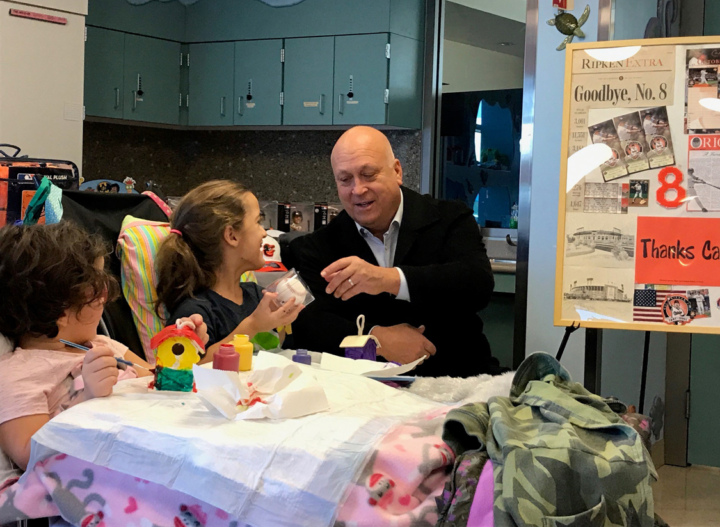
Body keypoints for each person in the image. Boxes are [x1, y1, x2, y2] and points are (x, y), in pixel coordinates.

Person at [283, 126, 498, 377]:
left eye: (368, 174)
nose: (358, 189)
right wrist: (376, 338)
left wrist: (388, 279)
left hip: (458, 379)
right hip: (364, 392)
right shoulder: (318, 247)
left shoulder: (449, 218)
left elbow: (477, 284)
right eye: (345, 179)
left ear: (397, 171)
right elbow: (309, 324)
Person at [0, 222, 170, 474]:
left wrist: (181, 344)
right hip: (97, 483)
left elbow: (160, 381)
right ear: (59, 311)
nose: (105, 297)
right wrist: (85, 398)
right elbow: (30, 455)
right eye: (98, 288)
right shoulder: (18, 375)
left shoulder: (104, 345)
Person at [155, 180, 303, 362]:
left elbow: (276, 352)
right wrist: (253, 326)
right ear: (232, 235)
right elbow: (187, 367)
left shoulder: (256, 295)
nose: (264, 233)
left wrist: (281, 322)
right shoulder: (195, 313)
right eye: (257, 222)